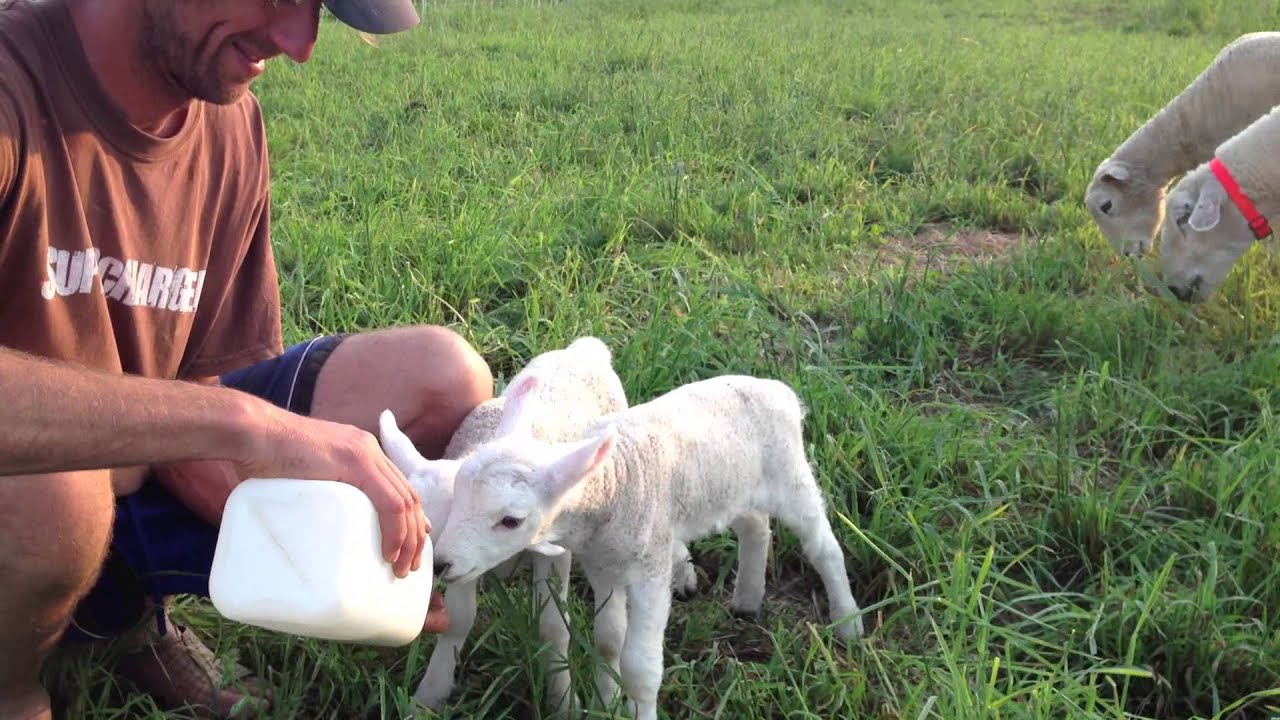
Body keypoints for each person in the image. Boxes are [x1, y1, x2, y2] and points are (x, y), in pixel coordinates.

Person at [0, 0, 494, 717]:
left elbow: (190, 385)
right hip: (30, 497)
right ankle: (13, 685)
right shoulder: (14, 83)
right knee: (58, 494)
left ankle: (131, 616)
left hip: (130, 487)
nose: (298, 44)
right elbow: (209, 415)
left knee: (440, 377)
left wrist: (316, 555)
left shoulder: (228, 126)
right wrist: (246, 427)